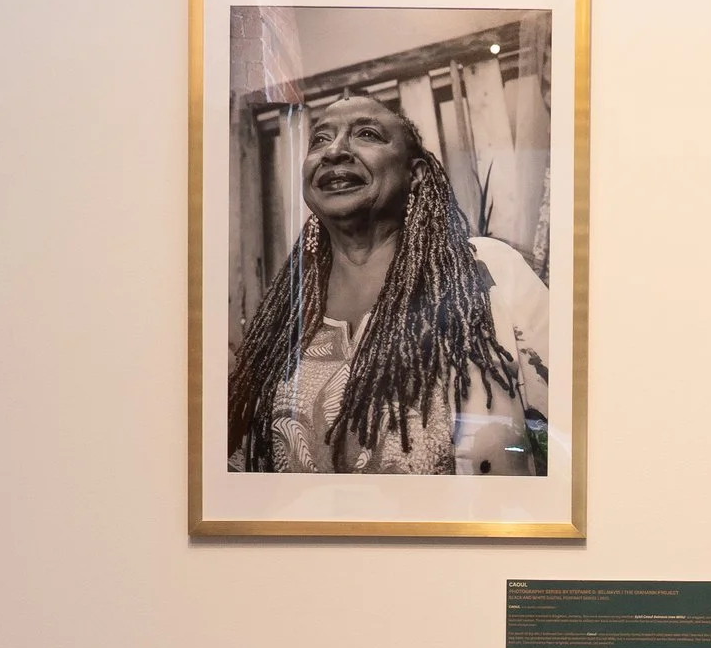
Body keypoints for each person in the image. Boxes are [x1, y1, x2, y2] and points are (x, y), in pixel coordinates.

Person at [228, 92, 546, 476]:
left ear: (416, 174)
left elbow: (569, 434)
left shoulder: (486, 272)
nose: (334, 152)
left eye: (366, 134)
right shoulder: (283, 317)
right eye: (320, 139)